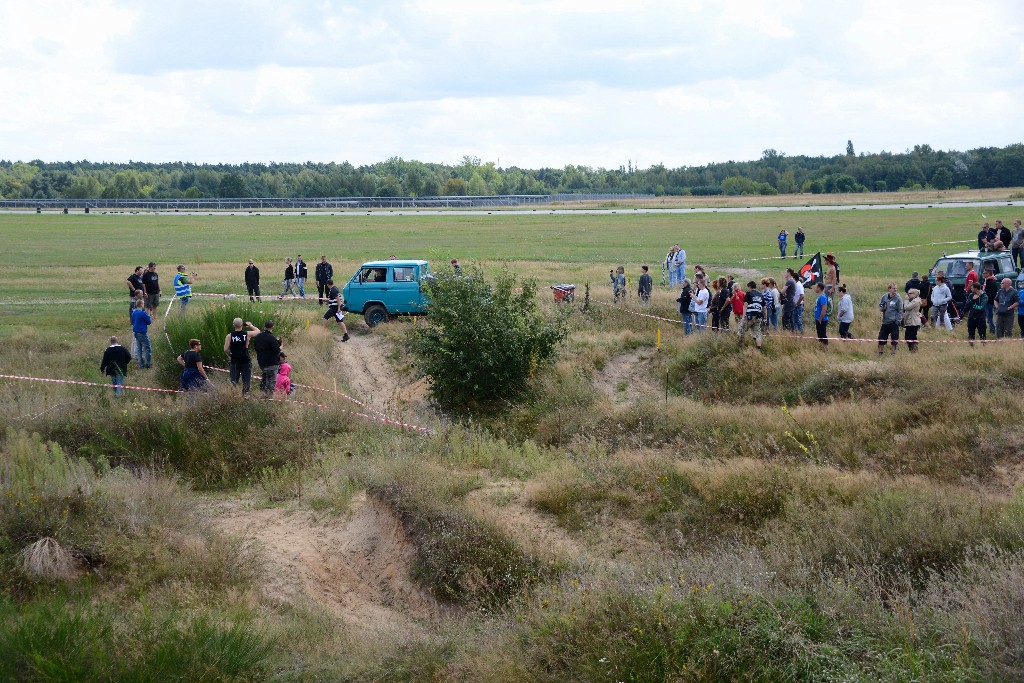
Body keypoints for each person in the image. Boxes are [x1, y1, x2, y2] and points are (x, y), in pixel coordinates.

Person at [224, 317, 259, 394]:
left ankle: (233, 395)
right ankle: (245, 395)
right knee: (246, 380)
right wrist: (250, 325)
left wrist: (230, 355)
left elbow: (225, 349)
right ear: (242, 325)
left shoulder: (229, 336)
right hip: (245, 359)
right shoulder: (247, 334)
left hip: (235, 360)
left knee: (234, 380)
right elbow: (258, 332)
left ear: (234, 325)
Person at [252, 320, 282, 395]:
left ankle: (263, 392)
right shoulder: (272, 338)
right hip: (271, 363)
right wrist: (281, 346)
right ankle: (268, 396)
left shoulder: (258, 336)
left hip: (261, 363)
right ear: (272, 327)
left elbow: (255, 348)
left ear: (264, 326)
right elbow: (277, 351)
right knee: (272, 380)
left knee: (265, 377)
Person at [737, 281, 765, 350]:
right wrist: (765, 317)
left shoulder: (749, 294)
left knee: (741, 331)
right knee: (757, 333)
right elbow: (764, 308)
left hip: (749, 316)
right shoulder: (761, 295)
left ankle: (740, 347)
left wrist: (743, 317)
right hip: (758, 316)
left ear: (749, 287)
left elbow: (745, 306)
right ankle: (759, 348)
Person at [877, 283, 903, 356]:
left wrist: (898, 321)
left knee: (894, 339)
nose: (895, 290)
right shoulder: (884, 297)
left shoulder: (898, 298)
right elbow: (880, 306)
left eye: (896, 288)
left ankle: (893, 353)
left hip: (893, 322)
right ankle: (880, 353)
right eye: (893, 288)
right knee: (881, 338)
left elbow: (900, 310)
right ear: (889, 289)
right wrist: (882, 308)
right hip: (885, 321)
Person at [964, 282, 988, 346]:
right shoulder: (971, 295)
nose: (971, 290)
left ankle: (984, 346)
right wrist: (973, 300)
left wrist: (973, 305)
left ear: (976, 289)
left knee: (982, 334)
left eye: (972, 288)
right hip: (971, 317)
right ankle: (971, 347)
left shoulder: (984, 296)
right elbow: (967, 305)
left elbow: (981, 308)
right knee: (971, 334)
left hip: (980, 317)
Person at [130, 300, 152, 368]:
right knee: (148, 348)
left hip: (136, 332)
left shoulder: (133, 312)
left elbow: (133, 321)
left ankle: (141, 364)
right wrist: (148, 315)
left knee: (139, 349)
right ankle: (147, 364)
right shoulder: (142, 313)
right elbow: (149, 322)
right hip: (142, 332)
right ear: (142, 305)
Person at [983, 267, 998, 334]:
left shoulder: (991, 282)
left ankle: (992, 330)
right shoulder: (987, 281)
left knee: (989, 317)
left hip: (989, 302)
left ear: (988, 274)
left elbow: (992, 294)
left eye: (984, 273)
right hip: (987, 302)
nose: (983, 274)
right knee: (987, 317)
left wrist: (987, 300)